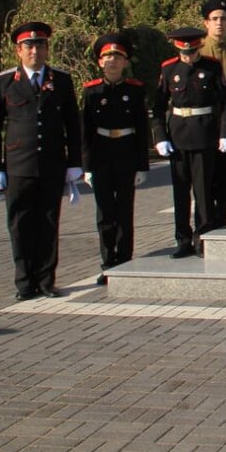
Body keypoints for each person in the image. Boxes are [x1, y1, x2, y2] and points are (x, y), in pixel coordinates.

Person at [0, 22, 82, 301]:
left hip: (51, 163)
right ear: (19, 50)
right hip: (18, 165)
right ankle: (24, 282)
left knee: (49, 223)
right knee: (20, 224)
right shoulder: (4, 81)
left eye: (40, 45)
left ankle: (46, 280)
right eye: (29, 46)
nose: (35, 51)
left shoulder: (61, 80)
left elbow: (72, 125)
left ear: (47, 48)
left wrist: (74, 162)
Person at [152, 27, 226, 257]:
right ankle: (183, 239)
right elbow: (158, 107)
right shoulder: (169, 69)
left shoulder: (212, 67)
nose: (189, 55)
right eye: (184, 52)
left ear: (198, 47)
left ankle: (202, 237)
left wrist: (224, 133)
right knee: (180, 192)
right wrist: (160, 137)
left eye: (193, 51)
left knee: (204, 192)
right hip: (177, 137)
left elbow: (225, 103)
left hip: (205, 134)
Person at [81, 33, 149, 286]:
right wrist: (86, 166)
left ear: (125, 62)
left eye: (117, 57)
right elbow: (85, 132)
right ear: (100, 62)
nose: (112, 61)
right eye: (107, 57)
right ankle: (107, 263)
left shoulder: (135, 90)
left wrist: (143, 165)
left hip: (126, 154)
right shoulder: (90, 92)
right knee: (105, 213)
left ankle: (125, 260)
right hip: (101, 155)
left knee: (125, 211)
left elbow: (142, 129)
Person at [200, 0, 226, 230]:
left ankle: (222, 221)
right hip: (205, 122)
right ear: (206, 23)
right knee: (206, 179)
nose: (219, 23)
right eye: (214, 19)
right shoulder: (198, 51)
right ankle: (205, 225)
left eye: (223, 19)